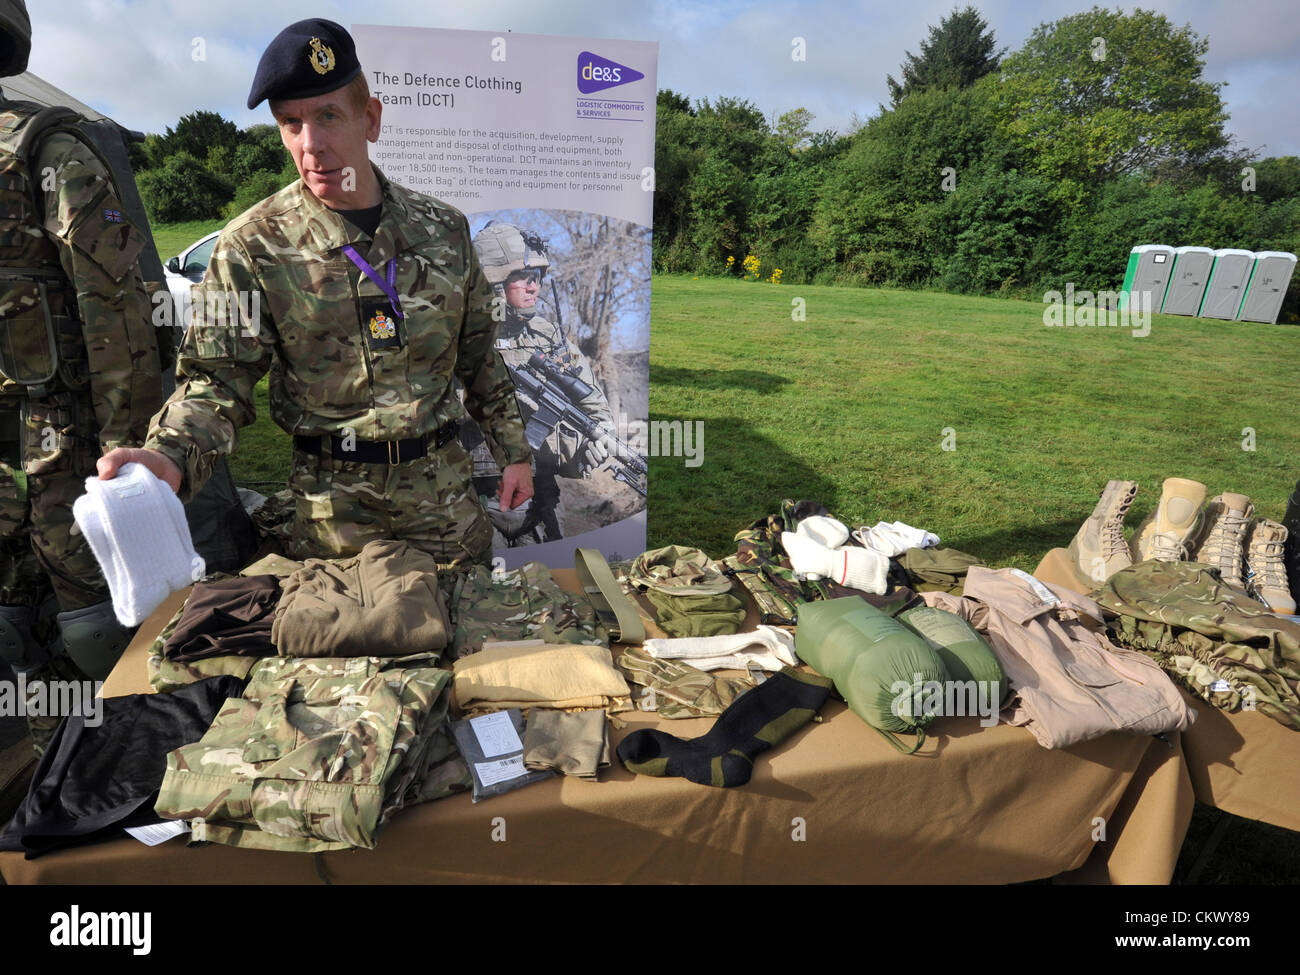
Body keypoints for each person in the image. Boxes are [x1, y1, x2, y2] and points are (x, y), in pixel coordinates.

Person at [98, 18, 533, 571]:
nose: (311, 145)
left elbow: (479, 356)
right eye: (291, 123)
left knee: (471, 650)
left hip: (446, 509)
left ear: (369, 118)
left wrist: (514, 454)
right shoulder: (256, 245)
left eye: (328, 116)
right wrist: (169, 454)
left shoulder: (443, 230)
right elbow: (216, 380)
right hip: (333, 522)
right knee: (345, 654)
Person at [0, 0, 163, 728]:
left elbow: (119, 316)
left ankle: (125, 765)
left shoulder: (47, 151)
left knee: (101, 634)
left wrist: (128, 457)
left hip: (59, 452)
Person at [467, 222, 618, 544]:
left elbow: (589, 398)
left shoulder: (547, 335)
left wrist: (600, 434)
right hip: (468, 497)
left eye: (536, 279)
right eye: (522, 278)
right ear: (492, 283)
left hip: (538, 496)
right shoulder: (459, 336)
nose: (533, 287)